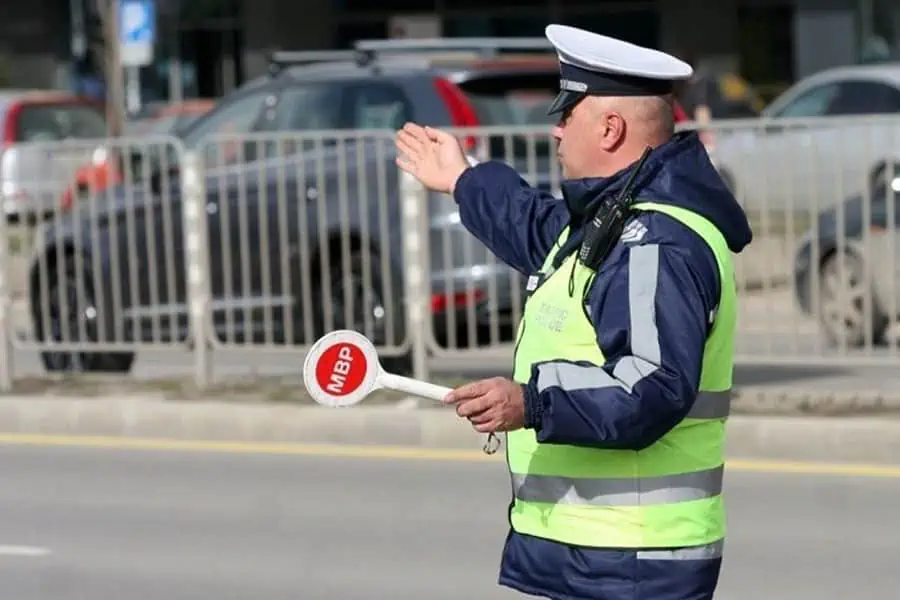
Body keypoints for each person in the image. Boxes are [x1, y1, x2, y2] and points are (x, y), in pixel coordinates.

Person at [395, 24, 752, 600]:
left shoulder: (655, 242)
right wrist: (463, 179)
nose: (556, 128)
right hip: (602, 553)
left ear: (610, 128)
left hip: (633, 560)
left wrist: (531, 401)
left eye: (568, 112)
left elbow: (652, 385)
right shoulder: (614, 221)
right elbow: (537, 229)